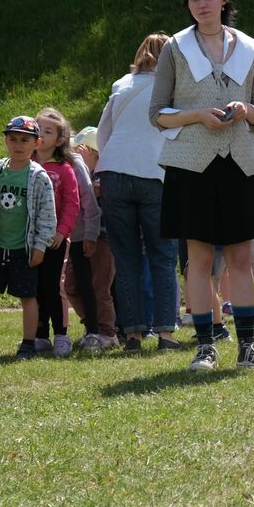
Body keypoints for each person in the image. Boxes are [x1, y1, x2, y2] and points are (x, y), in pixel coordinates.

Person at [149, 0, 254, 371]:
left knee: (240, 258)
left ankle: (249, 347)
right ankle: (205, 346)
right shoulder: (175, 48)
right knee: (198, 260)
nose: (201, 4)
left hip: (239, 162)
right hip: (190, 166)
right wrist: (196, 115)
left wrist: (246, 111)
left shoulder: (250, 48)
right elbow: (158, 114)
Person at [100, 33, 184, 354]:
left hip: (114, 174)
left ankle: (132, 336)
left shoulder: (120, 86)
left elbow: (104, 132)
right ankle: (166, 335)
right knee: (162, 258)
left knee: (127, 259)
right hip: (155, 176)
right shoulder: (173, 89)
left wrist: (107, 170)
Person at [0, 117, 57, 361]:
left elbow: (48, 216)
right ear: (6, 141)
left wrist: (40, 246)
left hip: (24, 249)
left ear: (37, 143)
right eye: (13, 139)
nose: (18, 145)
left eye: (25, 140)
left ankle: (28, 344)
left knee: (28, 297)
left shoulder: (39, 177)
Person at [62, 127, 118, 351]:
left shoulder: (107, 178)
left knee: (99, 287)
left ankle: (107, 332)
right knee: (72, 285)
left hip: (103, 240)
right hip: (79, 239)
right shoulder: (77, 173)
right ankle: (92, 324)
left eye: (83, 151)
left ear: (97, 154)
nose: (77, 155)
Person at [32, 107, 80, 358]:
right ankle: (39, 336)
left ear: (60, 140)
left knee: (52, 286)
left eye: (47, 131)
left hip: (55, 241)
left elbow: (73, 205)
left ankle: (61, 334)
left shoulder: (64, 169)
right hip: (29, 240)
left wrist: (62, 232)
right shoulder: (25, 166)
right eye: (38, 129)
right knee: (35, 287)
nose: (41, 134)